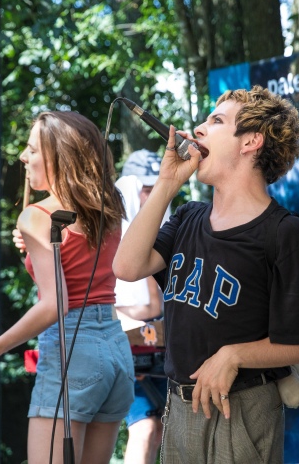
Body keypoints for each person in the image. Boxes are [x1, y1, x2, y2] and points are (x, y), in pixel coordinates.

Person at [113, 86, 299, 464]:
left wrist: (233, 356)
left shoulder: (284, 234)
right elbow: (126, 267)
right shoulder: (187, 217)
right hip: (179, 409)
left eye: (216, 121)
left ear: (251, 141)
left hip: (241, 411)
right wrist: (166, 183)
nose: (198, 129)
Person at [0, 111, 134, 464]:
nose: (23, 157)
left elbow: (56, 304)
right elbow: (81, 271)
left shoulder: (37, 215)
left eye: (32, 149)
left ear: (59, 155)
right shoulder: (107, 203)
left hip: (73, 350)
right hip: (116, 348)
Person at [115, 149, 170, 464]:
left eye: (155, 187)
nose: (151, 195)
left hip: (161, 350)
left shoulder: (168, 232)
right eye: (145, 188)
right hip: (131, 349)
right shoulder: (112, 235)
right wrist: (130, 334)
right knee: (146, 427)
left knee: (160, 429)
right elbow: (99, 305)